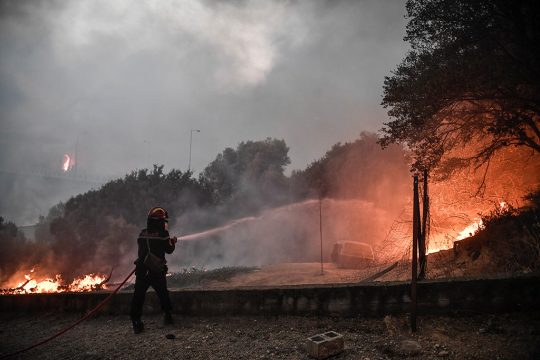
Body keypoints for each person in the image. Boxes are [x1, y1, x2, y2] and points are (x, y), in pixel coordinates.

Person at [130, 206, 177, 334]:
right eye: (164, 221)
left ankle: (136, 322)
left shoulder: (142, 233)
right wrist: (173, 242)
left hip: (142, 271)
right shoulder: (163, 235)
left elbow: (142, 248)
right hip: (156, 271)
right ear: (160, 222)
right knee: (163, 294)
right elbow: (169, 250)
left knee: (138, 296)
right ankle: (168, 316)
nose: (165, 223)